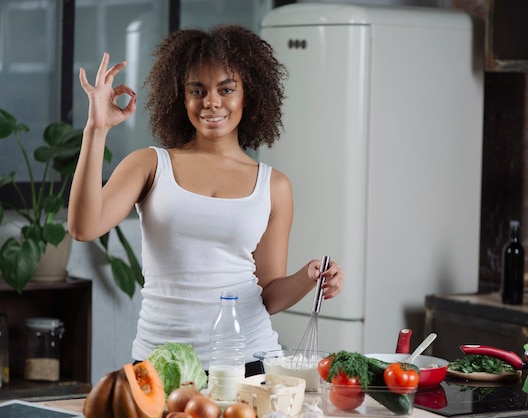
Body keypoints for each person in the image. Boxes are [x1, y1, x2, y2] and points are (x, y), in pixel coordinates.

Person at [68, 25, 344, 376]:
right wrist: (97, 128)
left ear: (248, 95)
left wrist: (309, 277)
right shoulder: (150, 165)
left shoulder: (273, 186)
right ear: (181, 98)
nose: (211, 102)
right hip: (162, 366)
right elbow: (82, 227)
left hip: (249, 365)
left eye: (226, 89)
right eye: (197, 90)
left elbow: (269, 295)